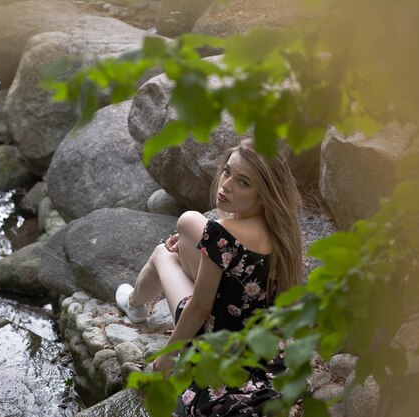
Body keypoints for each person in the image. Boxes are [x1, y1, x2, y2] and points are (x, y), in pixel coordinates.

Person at [115, 139, 302, 416]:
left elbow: (201, 308)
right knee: (189, 222)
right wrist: (206, 249)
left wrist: (166, 358)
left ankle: (134, 304)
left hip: (215, 338)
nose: (226, 185)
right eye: (227, 172)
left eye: (243, 183)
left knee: (162, 254)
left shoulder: (222, 232)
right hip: (259, 345)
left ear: (263, 195)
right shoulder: (284, 232)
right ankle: (135, 303)